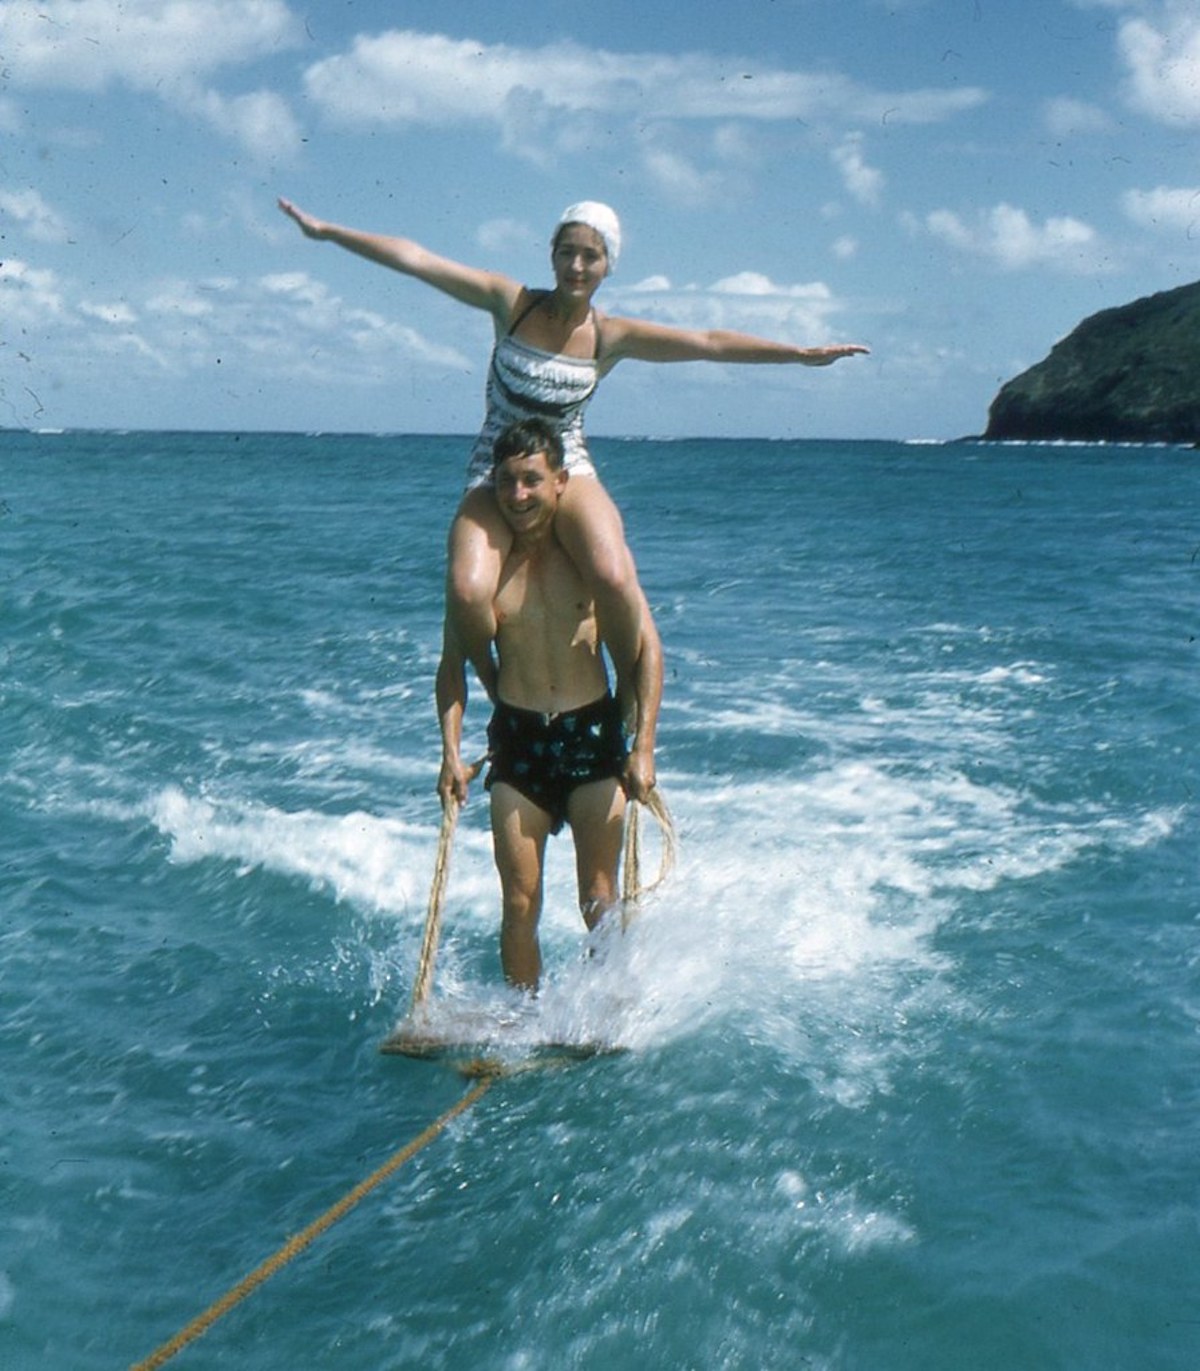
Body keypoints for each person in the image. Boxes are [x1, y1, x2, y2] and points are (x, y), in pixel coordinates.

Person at [277, 195, 868, 706]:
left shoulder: (610, 336)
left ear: (608, 264)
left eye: (592, 255)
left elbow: (708, 342)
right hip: (496, 465)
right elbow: (418, 259)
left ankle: (621, 703)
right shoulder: (511, 303)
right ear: (552, 255)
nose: (577, 265)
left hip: (568, 463)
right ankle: (501, 692)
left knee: (613, 574)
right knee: (465, 592)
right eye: (568, 252)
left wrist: (798, 354)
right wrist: (326, 233)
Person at [434, 417, 662, 992]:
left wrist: (644, 749)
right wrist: (449, 754)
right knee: (519, 901)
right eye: (507, 482)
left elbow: (647, 651)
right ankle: (523, 1017)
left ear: (560, 481)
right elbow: (452, 668)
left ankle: (606, 1007)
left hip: (592, 736)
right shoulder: (487, 573)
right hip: (519, 741)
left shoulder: (586, 560)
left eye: (532, 480)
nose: (518, 495)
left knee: (599, 896)